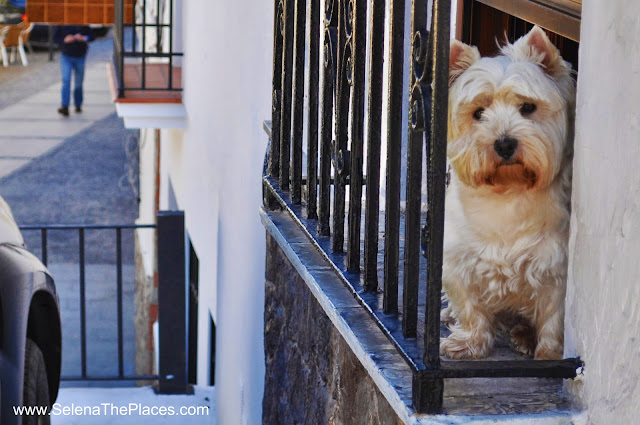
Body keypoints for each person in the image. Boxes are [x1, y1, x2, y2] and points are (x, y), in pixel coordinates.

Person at [53, 25, 95, 117]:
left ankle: (78, 105)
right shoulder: (62, 21)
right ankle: (65, 106)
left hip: (80, 55)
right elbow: (55, 38)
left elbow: (92, 36)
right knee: (66, 80)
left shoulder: (83, 20)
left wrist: (84, 38)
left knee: (78, 83)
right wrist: (65, 40)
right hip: (66, 55)